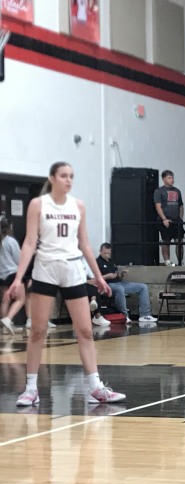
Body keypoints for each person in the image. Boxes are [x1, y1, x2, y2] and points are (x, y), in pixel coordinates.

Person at [3, 162, 125, 406]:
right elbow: (28, 243)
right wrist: (18, 279)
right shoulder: (38, 205)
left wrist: (98, 276)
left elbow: (85, 243)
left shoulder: (78, 205)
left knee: (86, 330)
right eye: (63, 176)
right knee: (37, 331)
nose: (68, 180)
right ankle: (30, 389)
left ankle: (96, 387)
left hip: (72, 269)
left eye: (71, 176)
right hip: (45, 268)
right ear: (52, 178)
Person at [95, 243, 157, 323]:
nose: (107, 255)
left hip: (118, 283)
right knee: (119, 289)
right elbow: (95, 279)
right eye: (105, 253)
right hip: (106, 285)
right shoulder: (97, 262)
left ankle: (145, 314)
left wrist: (121, 275)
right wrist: (107, 276)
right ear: (100, 251)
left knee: (143, 287)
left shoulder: (111, 262)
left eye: (108, 253)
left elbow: (117, 276)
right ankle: (125, 315)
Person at [154, 170, 184, 266]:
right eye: (169, 178)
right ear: (164, 179)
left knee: (179, 241)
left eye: (172, 177)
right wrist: (164, 219)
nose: (172, 180)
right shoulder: (159, 191)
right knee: (166, 241)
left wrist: (180, 218)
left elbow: (181, 205)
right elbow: (158, 206)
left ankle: (180, 261)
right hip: (165, 220)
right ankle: (167, 261)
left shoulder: (177, 191)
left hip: (176, 220)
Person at [0, 215, 23, 334]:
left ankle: (5, 328)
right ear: (9, 227)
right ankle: (8, 319)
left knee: (5, 300)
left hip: (2, 275)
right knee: (21, 299)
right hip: (13, 273)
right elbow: (19, 259)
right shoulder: (10, 241)